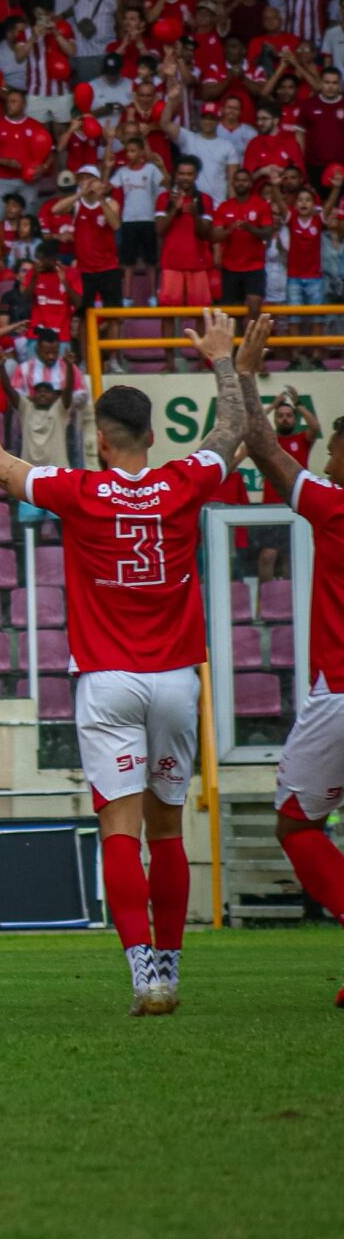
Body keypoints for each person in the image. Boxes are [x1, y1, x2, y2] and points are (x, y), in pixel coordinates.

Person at [0, 308, 248, 1015]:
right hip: (176, 680)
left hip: (109, 679)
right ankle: (171, 964)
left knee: (119, 829)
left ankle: (144, 974)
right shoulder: (182, 481)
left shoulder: (80, 491)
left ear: (101, 440)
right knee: (167, 829)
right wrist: (223, 360)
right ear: (152, 436)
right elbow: (233, 431)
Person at [231, 317, 344, 1002]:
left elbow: (263, 445)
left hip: (340, 696)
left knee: (297, 825)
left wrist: (244, 372)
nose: (327, 462)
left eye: (334, 450)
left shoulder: (333, 506)